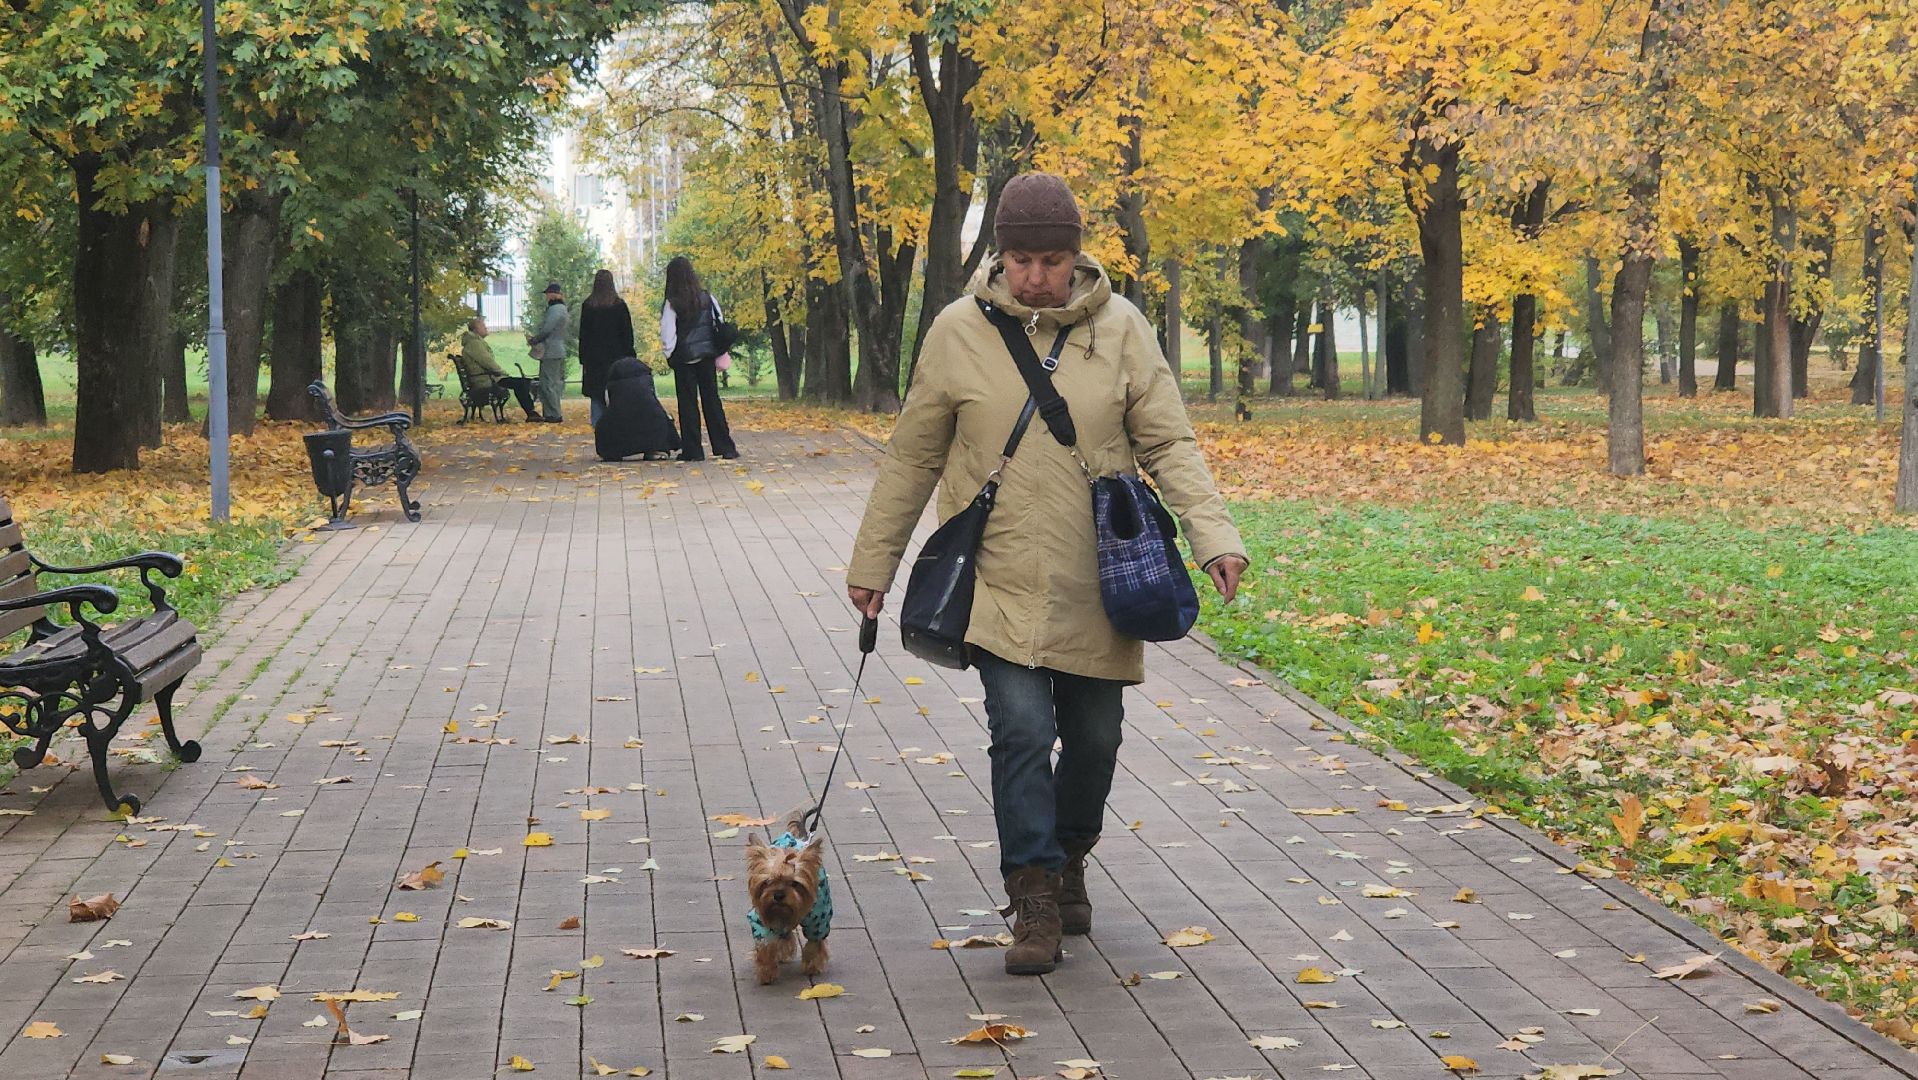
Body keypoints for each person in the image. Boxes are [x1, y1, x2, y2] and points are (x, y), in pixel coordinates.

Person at [845, 173, 1250, 978]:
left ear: (1077, 256)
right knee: (1023, 730)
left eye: (1052, 259)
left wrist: (1215, 536)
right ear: (999, 255)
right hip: (996, 577)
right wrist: (873, 564)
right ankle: (1031, 889)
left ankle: (1069, 857)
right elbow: (915, 456)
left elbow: (1169, 443)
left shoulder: (1124, 330)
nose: (1036, 275)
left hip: (1102, 578)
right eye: (1021, 258)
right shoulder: (957, 333)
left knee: (1096, 738)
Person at [660, 256, 738, 461]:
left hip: (684, 359)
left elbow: (668, 334)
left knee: (687, 405)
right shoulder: (707, 297)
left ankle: (693, 450)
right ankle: (725, 446)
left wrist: (670, 354)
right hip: (707, 356)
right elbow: (718, 321)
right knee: (712, 401)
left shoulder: (672, 303)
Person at [595, 357, 682, 462]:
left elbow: (608, 403)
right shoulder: (646, 381)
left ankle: (611, 452)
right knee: (659, 416)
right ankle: (657, 449)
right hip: (652, 427)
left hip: (619, 428)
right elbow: (654, 400)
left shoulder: (612, 383)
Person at [578, 269, 635, 428]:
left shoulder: (588, 306)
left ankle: (600, 433)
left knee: (597, 398)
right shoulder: (619, 305)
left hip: (594, 361)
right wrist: (630, 355)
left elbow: (584, 335)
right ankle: (618, 432)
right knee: (617, 396)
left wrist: (583, 358)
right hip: (617, 359)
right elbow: (627, 334)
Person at [459, 317, 541, 421]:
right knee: (521, 383)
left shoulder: (474, 343)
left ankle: (531, 412)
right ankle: (531, 413)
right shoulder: (474, 344)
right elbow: (487, 362)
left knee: (523, 382)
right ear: (476, 330)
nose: (486, 328)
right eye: (483, 326)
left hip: (487, 378)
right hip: (486, 380)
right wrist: (503, 373)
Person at [526, 282, 570, 423]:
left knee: (547, 383)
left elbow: (547, 330)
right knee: (552, 383)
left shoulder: (555, 309)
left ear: (552, 294)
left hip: (551, 350)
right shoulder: (562, 309)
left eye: (547, 294)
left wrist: (534, 340)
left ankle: (554, 414)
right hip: (558, 350)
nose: (546, 297)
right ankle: (551, 413)